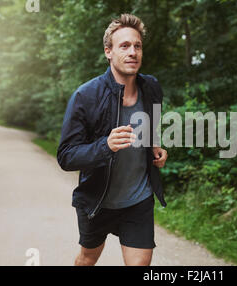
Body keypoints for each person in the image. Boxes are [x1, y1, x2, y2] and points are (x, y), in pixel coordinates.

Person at [57, 14, 168, 266]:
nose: (133, 52)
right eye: (124, 46)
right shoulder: (85, 96)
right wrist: (104, 146)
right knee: (87, 259)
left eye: (137, 46)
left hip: (138, 198)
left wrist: (155, 145)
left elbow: (153, 122)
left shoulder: (152, 87)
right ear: (108, 52)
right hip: (98, 200)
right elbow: (66, 156)